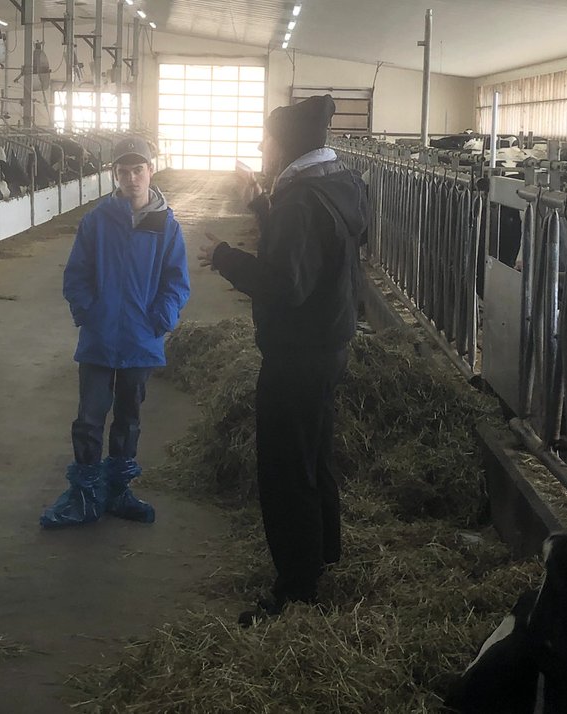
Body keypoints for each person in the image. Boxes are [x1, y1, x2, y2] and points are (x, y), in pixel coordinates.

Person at [197, 95, 368, 625]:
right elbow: (306, 251)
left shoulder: (298, 200)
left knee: (285, 471)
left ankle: (296, 590)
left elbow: (284, 283)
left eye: (267, 140)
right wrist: (258, 204)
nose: (261, 149)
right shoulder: (340, 183)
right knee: (314, 457)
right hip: (329, 345)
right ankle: (322, 558)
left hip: (296, 354)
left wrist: (225, 258)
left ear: (286, 143)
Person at [43, 135, 190, 528]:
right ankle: (85, 494)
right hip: (99, 337)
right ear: (114, 175)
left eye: (137, 170)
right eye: (123, 172)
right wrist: (88, 311)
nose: (131, 178)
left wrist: (160, 317)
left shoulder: (166, 226)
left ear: (150, 170)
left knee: (129, 417)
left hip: (141, 339)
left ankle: (118, 490)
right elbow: (76, 274)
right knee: (89, 418)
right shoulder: (96, 221)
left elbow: (177, 281)